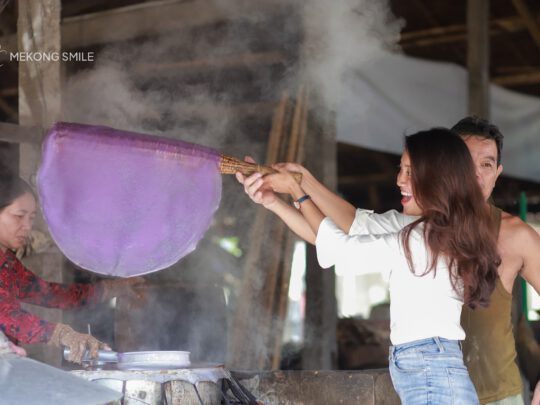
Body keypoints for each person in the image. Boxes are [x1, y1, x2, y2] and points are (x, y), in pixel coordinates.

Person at [237, 116, 540, 405]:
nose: (399, 180)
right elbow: (343, 233)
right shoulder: (428, 230)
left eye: (410, 171)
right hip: (438, 376)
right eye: (402, 169)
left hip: (458, 384)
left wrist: (299, 193)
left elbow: (342, 250)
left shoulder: (427, 238)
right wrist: (277, 200)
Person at [0, 171, 144, 364]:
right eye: (19, 216)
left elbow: (51, 294)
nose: (27, 226)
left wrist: (111, 288)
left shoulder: (8, 263)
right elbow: (6, 314)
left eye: (31, 218)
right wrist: (61, 334)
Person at [452, 116, 540, 405]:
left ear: (497, 172)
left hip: (500, 397)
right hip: (431, 393)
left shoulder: (515, 235)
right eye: (465, 162)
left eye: (486, 164)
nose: (476, 175)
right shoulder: (419, 229)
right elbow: (348, 233)